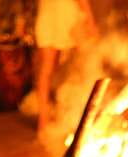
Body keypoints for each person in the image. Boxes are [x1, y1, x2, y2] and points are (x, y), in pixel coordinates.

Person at [35, 0, 98, 133]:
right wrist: (90, 20)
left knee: (77, 65)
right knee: (83, 65)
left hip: (55, 14)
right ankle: (47, 120)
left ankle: (51, 119)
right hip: (61, 14)